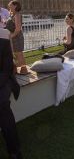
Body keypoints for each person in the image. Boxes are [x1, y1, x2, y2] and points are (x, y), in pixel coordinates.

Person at [0, 28, 22, 159]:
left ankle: (14, 151)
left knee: (2, 104)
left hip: (3, 80)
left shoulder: (3, 39)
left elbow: (7, 69)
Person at [5, 0, 28, 75]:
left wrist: (11, 36)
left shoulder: (17, 15)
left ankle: (23, 69)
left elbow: (18, 29)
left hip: (16, 37)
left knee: (19, 54)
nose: (9, 6)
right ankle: (21, 69)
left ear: (15, 6)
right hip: (13, 37)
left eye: (10, 5)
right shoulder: (12, 15)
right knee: (16, 54)